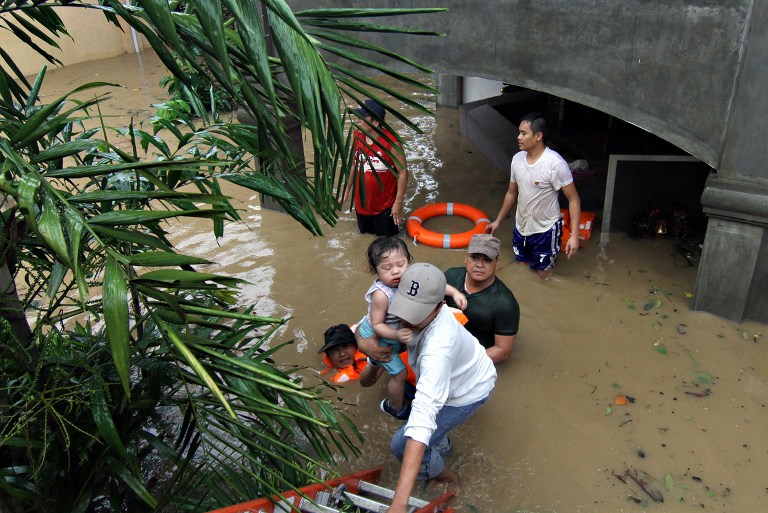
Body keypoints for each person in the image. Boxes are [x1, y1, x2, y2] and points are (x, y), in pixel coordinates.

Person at [385, 263, 496, 513]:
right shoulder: (417, 302)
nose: (407, 319)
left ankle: (449, 477)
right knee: (420, 434)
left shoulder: (438, 349)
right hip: (458, 371)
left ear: (439, 306)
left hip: (469, 390)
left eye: (417, 313)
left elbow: (423, 416)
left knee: (401, 445)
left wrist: (399, 503)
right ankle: (442, 447)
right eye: (405, 308)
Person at [358, 237, 467, 420]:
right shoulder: (381, 295)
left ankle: (376, 364)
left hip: (396, 334)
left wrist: (455, 292)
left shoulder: (409, 278)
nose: (396, 271)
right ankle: (397, 408)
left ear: (409, 261)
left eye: (401, 264)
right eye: (387, 268)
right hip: (381, 335)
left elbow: (433, 284)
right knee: (400, 374)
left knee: (394, 364)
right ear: (374, 270)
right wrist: (397, 334)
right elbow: (377, 325)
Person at [486, 112, 581, 279]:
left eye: (523, 133)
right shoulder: (517, 160)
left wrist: (574, 236)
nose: (518, 137)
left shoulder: (555, 164)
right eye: (519, 132)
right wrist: (498, 221)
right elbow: (511, 192)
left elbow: (573, 199)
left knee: (544, 275)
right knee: (521, 268)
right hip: (521, 227)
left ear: (538, 136)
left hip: (546, 230)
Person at [443, 233, 520, 364]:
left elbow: (502, 351)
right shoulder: (451, 276)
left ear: (497, 263)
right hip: (446, 341)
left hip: (475, 355)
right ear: (466, 257)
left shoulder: (505, 303)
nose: (480, 265)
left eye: (487, 260)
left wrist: (463, 362)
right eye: (474, 258)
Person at [343, 99, 409, 236]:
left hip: (385, 207)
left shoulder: (392, 142)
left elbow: (402, 172)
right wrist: (346, 190)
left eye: (362, 117)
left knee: (387, 243)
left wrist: (398, 203)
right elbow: (354, 165)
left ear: (375, 122)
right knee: (364, 240)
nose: (357, 120)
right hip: (362, 206)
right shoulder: (357, 136)